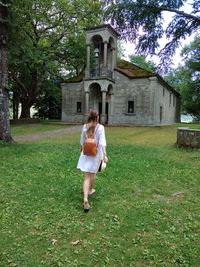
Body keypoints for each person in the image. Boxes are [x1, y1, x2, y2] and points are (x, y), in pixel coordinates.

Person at [77, 109, 108, 212]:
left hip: (86, 153)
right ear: (97, 117)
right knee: (93, 173)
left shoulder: (85, 127)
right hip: (95, 155)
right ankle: (90, 189)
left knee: (87, 177)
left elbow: (82, 141)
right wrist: (105, 155)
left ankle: (86, 198)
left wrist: (81, 151)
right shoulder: (100, 128)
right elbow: (102, 143)